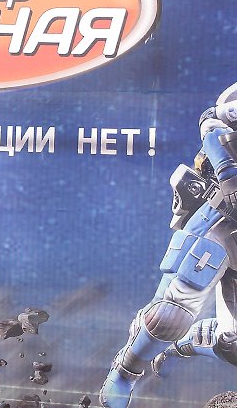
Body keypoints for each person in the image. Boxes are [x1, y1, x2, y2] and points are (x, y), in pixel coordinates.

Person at [100, 85, 237, 408]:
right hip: (224, 223)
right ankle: (126, 370)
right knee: (171, 312)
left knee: (232, 346)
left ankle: (188, 343)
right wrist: (229, 173)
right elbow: (213, 121)